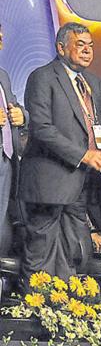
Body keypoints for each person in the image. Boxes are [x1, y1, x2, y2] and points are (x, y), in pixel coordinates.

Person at [19, 22, 101, 284]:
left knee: (73, 253)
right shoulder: (43, 76)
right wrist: (84, 155)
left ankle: (63, 311)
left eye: (90, 45)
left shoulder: (93, 82)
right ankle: (34, 310)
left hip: (82, 183)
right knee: (41, 253)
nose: (87, 51)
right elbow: (41, 128)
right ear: (61, 48)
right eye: (80, 44)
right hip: (48, 182)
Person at [0, 23, 27, 255]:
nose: (1, 38)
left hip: (7, 161)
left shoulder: (3, 76)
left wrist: (22, 115)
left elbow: (17, 108)